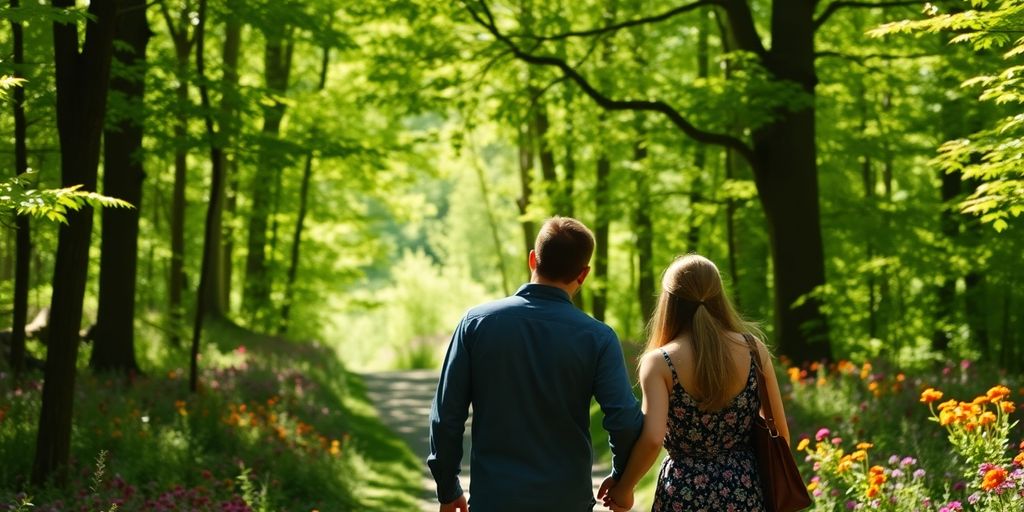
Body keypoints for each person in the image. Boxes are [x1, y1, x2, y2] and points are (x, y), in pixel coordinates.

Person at [428, 216, 644, 512]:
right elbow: (624, 420)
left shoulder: (476, 324)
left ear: (533, 259)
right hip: (567, 502)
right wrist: (621, 478)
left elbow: (447, 415)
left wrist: (447, 488)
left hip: (495, 499)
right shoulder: (598, 338)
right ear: (583, 274)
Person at [600, 254, 790, 512]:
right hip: (746, 490)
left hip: (683, 492)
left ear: (669, 302)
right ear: (719, 296)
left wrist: (624, 489)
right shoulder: (753, 349)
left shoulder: (659, 363)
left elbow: (653, 438)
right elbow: (780, 433)